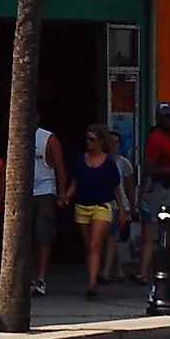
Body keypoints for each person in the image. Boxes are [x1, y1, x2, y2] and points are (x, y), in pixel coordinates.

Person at [66, 124, 119, 301]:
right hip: (82, 206)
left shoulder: (109, 164)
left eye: (92, 139)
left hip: (102, 205)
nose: (89, 142)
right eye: (87, 139)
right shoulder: (80, 160)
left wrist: (124, 210)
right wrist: (66, 196)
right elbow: (74, 183)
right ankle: (95, 273)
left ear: (101, 141)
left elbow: (116, 188)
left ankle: (92, 284)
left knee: (94, 244)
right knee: (89, 245)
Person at [139, 105, 170, 287]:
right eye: (166, 117)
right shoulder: (156, 139)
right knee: (160, 233)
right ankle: (153, 274)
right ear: (159, 119)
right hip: (162, 189)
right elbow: (148, 169)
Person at [28, 123, 63, 296]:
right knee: (27, 237)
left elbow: (59, 165)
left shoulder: (47, 138)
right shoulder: (17, 132)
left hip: (44, 190)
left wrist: (62, 193)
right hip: (23, 192)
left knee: (42, 234)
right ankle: (29, 276)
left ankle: (40, 277)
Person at [101, 128, 136, 283]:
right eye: (111, 142)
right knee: (108, 238)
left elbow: (129, 187)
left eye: (117, 142)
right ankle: (118, 269)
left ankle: (108, 270)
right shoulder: (102, 160)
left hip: (119, 203)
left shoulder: (124, 163)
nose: (114, 145)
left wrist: (132, 207)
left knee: (111, 236)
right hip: (103, 201)